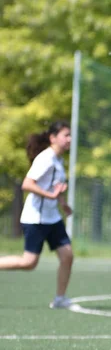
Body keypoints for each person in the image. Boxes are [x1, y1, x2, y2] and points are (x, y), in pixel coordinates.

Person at [0, 121, 74, 309]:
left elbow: (54, 187)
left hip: (53, 217)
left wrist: (62, 203)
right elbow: (27, 184)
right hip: (36, 219)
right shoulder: (46, 159)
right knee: (29, 263)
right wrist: (51, 195)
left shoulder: (59, 160)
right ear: (53, 138)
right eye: (66, 135)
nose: (69, 139)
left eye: (70, 135)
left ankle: (60, 299)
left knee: (67, 255)